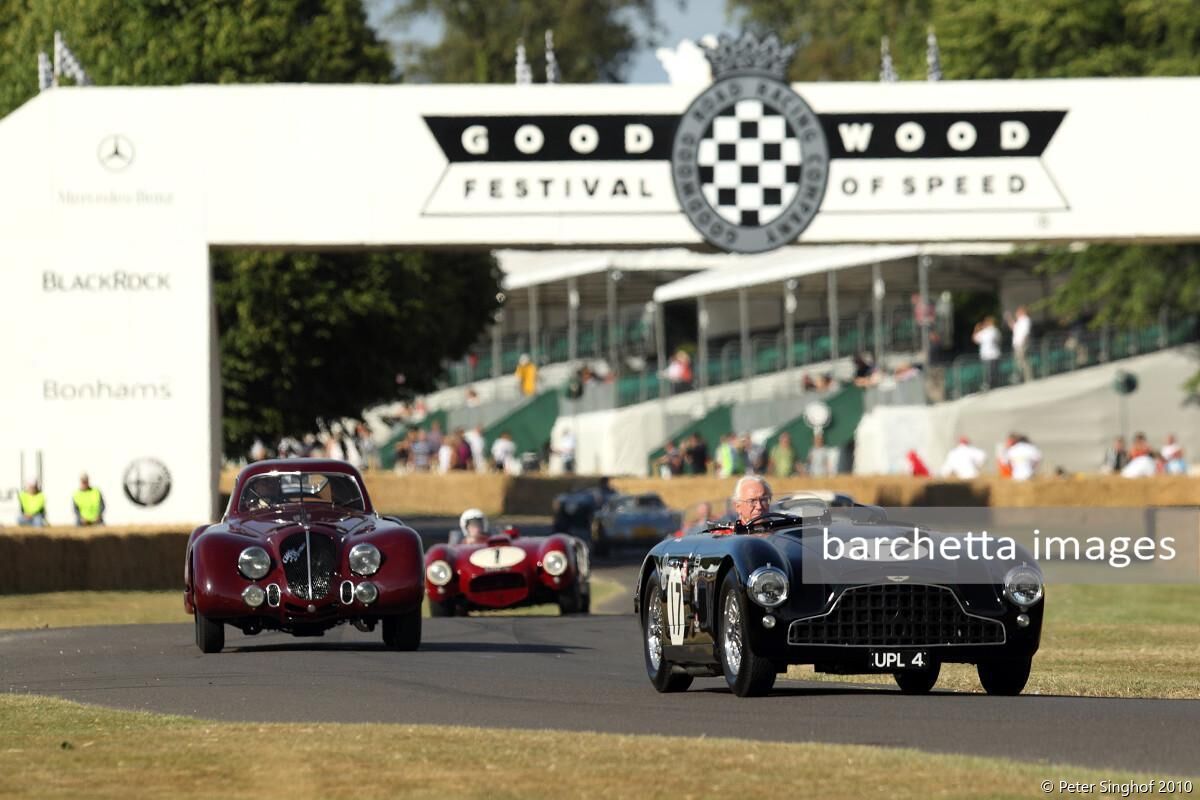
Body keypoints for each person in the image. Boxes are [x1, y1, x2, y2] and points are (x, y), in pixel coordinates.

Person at [1005, 306, 1034, 383]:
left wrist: (1023, 343)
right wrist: (1009, 318)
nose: (1016, 313)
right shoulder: (1020, 320)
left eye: (1018, 312)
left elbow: (1025, 332)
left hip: (1022, 344)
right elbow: (1013, 328)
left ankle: (1028, 378)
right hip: (1017, 344)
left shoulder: (1025, 320)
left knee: (1023, 360)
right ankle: (1023, 377)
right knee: (1019, 361)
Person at [972, 316, 1002, 390]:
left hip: (989, 354)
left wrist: (976, 329)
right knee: (992, 372)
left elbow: (974, 338)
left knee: (989, 373)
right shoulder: (994, 331)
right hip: (992, 354)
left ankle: (991, 385)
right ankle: (993, 385)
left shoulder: (988, 331)